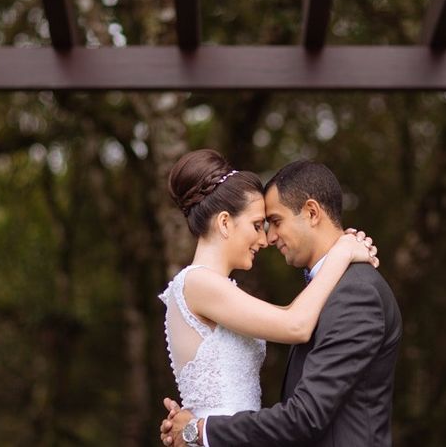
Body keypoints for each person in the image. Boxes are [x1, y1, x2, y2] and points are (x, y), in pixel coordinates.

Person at [160, 157, 402, 447]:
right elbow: (295, 323)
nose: (266, 239)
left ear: (311, 212)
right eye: (259, 224)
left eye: (272, 222)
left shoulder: (356, 293)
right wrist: (341, 253)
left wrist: (197, 428)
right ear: (225, 222)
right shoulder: (199, 283)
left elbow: (294, 319)